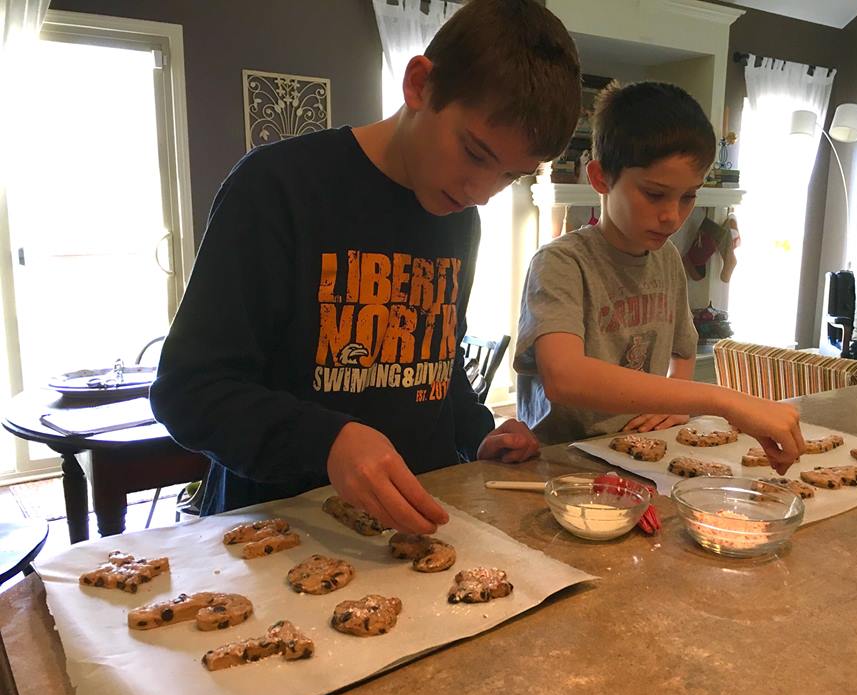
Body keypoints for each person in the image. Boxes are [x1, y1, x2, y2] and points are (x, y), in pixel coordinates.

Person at [150, 0, 582, 533]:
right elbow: (188, 391)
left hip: (416, 530)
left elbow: (433, 365)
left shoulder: (457, 214)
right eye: (474, 153)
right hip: (279, 535)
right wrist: (328, 439)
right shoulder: (276, 188)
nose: (482, 194)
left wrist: (477, 432)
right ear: (420, 84)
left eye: (510, 176)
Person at [514, 81, 803, 472]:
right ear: (600, 178)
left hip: (642, 455)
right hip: (563, 462)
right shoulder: (561, 263)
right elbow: (565, 377)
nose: (672, 215)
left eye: (688, 196)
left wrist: (672, 410)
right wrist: (721, 399)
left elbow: (683, 349)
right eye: (654, 194)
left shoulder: (666, 258)